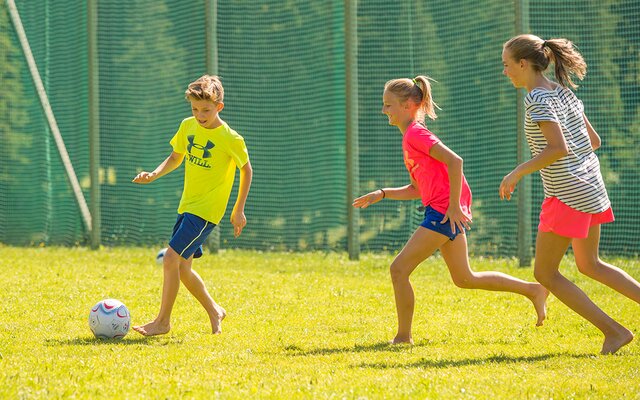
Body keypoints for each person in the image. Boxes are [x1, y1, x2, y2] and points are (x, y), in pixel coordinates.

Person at [353, 76, 549, 344]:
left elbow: (455, 162)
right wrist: (383, 193)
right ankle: (533, 290)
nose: (383, 110)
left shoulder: (416, 133)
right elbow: (417, 190)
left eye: (388, 105)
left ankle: (403, 337)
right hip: (442, 210)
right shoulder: (410, 137)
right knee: (465, 278)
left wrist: (455, 207)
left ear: (409, 104)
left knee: (399, 269)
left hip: (444, 212)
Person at [500, 34, 640, 354]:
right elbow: (593, 141)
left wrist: (517, 172)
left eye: (507, 65)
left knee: (544, 273)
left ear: (523, 64)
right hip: (592, 188)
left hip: (567, 195)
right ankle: (616, 330)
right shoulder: (563, 92)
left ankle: (615, 332)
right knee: (590, 264)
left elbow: (557, 149)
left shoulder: (536, 98)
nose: (505, 72)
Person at [132, 75, 252, 336]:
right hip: (187, 205)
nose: (199, 115)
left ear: (219, 107)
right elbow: (176, 157)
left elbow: (247, 170)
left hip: (207, 211)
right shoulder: (187, 127)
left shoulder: (231, 138)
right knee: (184, 268)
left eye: (206, 110)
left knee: (170, 259)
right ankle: (214, 310)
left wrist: (238, 209)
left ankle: (162, 322)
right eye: (195, 109)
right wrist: (153, 174)